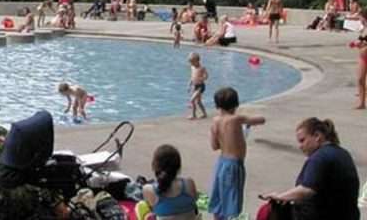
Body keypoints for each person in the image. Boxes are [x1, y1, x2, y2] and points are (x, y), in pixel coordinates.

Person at [262, 118, 360, 220]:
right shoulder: (342, 153)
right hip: (346, 214)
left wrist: (280, 196)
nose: (300, 146)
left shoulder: (320, 157)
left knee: (267, 212)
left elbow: (307, 189)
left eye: (302, 140)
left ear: (317, 136)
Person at [208, 87, 266, 220]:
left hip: (221, 163)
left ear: (217, 105)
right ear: (236, 104)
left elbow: (214, 146)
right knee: (232, 198)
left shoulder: (215, 121)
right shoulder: (236, 119)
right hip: (234, 165)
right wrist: (259, 120)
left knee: (220, 197)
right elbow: (259, 120)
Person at [142, 144, 199, 220]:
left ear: (155, 166)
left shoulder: (148, 189)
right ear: (178, 166)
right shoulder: (189, 183)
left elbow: (152, 209)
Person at [188, 53, 208, 119]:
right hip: (195, 86)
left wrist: (202, 78)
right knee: (199, 102)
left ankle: (194, 115)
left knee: (192, 100)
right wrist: (189, 84)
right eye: (190, 62)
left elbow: (206, 76)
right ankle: (205, 114)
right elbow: (192, 76)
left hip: (200, 86)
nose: (191, 64)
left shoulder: (202, 68)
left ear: (197, 61)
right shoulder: (192, 67)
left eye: (192, 62)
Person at [353, 14, 367, 109]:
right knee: (360, 79)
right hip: (363, 57)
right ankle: (361, 103)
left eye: (360, 18)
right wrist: (357, 43)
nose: (359, 20)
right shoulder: (364, 29)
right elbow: (360, 40)